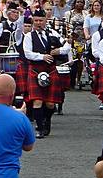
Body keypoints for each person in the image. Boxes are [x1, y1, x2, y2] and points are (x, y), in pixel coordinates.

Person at [21, 9, 71, 138]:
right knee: (37, 101)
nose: (38, 23)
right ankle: (40, 128)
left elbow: (67, 46)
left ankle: (47, 120)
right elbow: (27, 53)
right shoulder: (28, 36)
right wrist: (42, 56)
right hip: (35, 70)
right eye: (36, 20)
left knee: (50, 103)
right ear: (33, 21)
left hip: (50, 70)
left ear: (45, 21)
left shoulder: (52, 33)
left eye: (41, 20)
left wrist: (58, 51)